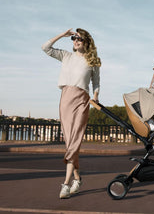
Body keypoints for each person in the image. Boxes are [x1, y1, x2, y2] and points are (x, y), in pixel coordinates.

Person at [42, 28, 101, 199]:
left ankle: (66, 184)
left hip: (82, 100)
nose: (76, 41)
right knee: (70, 144)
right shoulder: (66, 56)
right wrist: (62, 35)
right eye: (74, 38)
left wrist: (95, 96)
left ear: (86, 42)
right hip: (65, 99)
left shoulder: (93, 61)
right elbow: (45, 47)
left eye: (80, 39)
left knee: (75, 141)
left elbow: (96, 83)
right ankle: (77, 178)